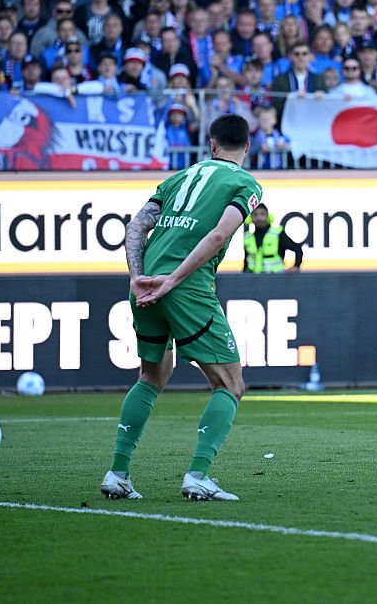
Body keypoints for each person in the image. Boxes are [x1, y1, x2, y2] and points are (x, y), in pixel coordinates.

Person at [100, 113, 263, 502]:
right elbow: (221, 232)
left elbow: (136, 227)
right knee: (230, 384)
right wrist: (173, 280)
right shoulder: (245, 183)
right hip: (186, 288)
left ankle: (117, 473)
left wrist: (137, 276)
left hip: (145, 286)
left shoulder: (178, 178)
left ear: (211, 144)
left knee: (152, 376)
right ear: (248, 146)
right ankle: (198, 475)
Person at [242, 203, 304, 273]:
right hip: (254, 280)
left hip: (275, 279)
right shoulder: (248, 238)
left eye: (262, 214)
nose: (259, 218)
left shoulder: (277, 234)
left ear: (268, 217)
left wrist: (296, 266)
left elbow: (297, 249)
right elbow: (246, 261)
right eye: (255, 215)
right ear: (251, 218)